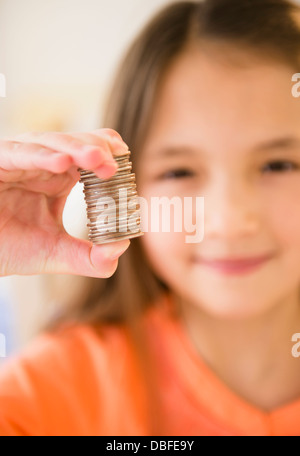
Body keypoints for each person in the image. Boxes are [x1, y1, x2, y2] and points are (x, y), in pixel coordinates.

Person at [0, 0, 300, 436]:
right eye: (179, 171)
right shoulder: (42, 397)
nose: (231, 221)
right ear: (127, 193)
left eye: (278, 164)